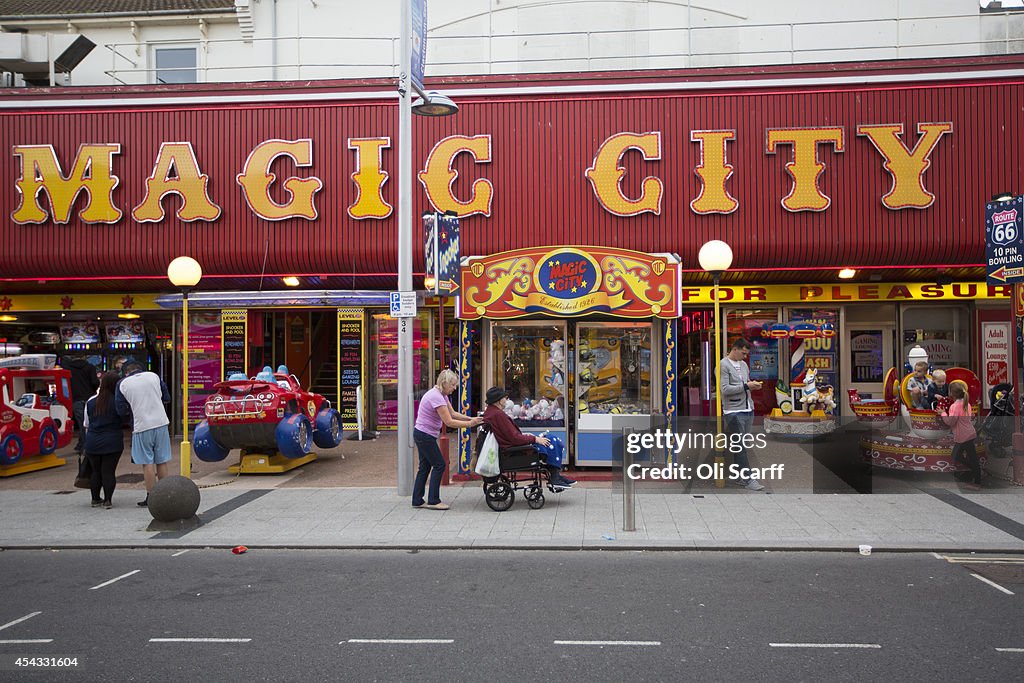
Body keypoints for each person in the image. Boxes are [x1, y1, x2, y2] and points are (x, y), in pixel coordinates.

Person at [412, 369, 482, 510]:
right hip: (425, 435)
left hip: (423, 434)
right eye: (453, 385)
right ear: (445, 383)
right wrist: (470, 424)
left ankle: (417, 500)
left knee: (424, 467)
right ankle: (433, 500)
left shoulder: (441, 394)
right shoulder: (436, 397)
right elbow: (449, 421)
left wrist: (472, 418)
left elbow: (453, 413)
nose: (454, 388)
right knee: (439, 465)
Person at [481, 386, 576, 489]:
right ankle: (554, 476)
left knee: (549, 438)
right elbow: (514, 438)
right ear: (499, 401)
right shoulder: (498, 415)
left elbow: (512, 436)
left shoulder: (492, 413)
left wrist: (529, 436)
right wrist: (535, 439)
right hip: (514, 449)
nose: (507, 400)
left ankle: (555, 474)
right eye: (505, 398)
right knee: (552, 440)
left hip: (510, 446)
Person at [115, 360, 171, 507]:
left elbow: (121, 410)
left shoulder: (122, 384)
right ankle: (165, 494)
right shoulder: (154, 376)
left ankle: (151, 496)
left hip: (141, 426)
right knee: (162, 460)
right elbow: (167, 398)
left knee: (147, 463)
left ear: (126, 372)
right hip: (161, 422)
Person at [719, 338, 765, 491]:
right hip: (733, 411)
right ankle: (748, 479)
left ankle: (740, 476)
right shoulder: (723, 365)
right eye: (743, 353)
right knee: (740, 446)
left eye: (746, 354)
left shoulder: (744, 365)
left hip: (747, 408)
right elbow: (724, 389)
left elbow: (746, 383)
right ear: (735, 349)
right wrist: (747, 386)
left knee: (741, 445)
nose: (745, 357)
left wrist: (752, 385)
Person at [84, 372, 126, 508]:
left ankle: (95, 499)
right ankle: (108, 500)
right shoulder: (118, 401)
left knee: (95, 471)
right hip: (112, 441)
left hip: (92, 441)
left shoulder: (90, 401)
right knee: (108, 471)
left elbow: (86, 423)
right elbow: (124, 419)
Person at [939, 380, 981, 490]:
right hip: (969, 433)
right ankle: (975, 475)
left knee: (956, 456)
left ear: (952, 393)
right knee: (972, 457)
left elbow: (950, 422)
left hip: (962, 436)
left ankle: (976, 476)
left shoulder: (955, 406)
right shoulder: (967, 403)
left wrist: (942, 413)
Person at [63, 356, 99, 453]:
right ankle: (85, 446)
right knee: (89, 423)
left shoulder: (67, 368)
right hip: (90, 399)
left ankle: (83, 446)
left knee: (82, 424)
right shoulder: (90, 367)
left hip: (76, 399)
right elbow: (95, 382)